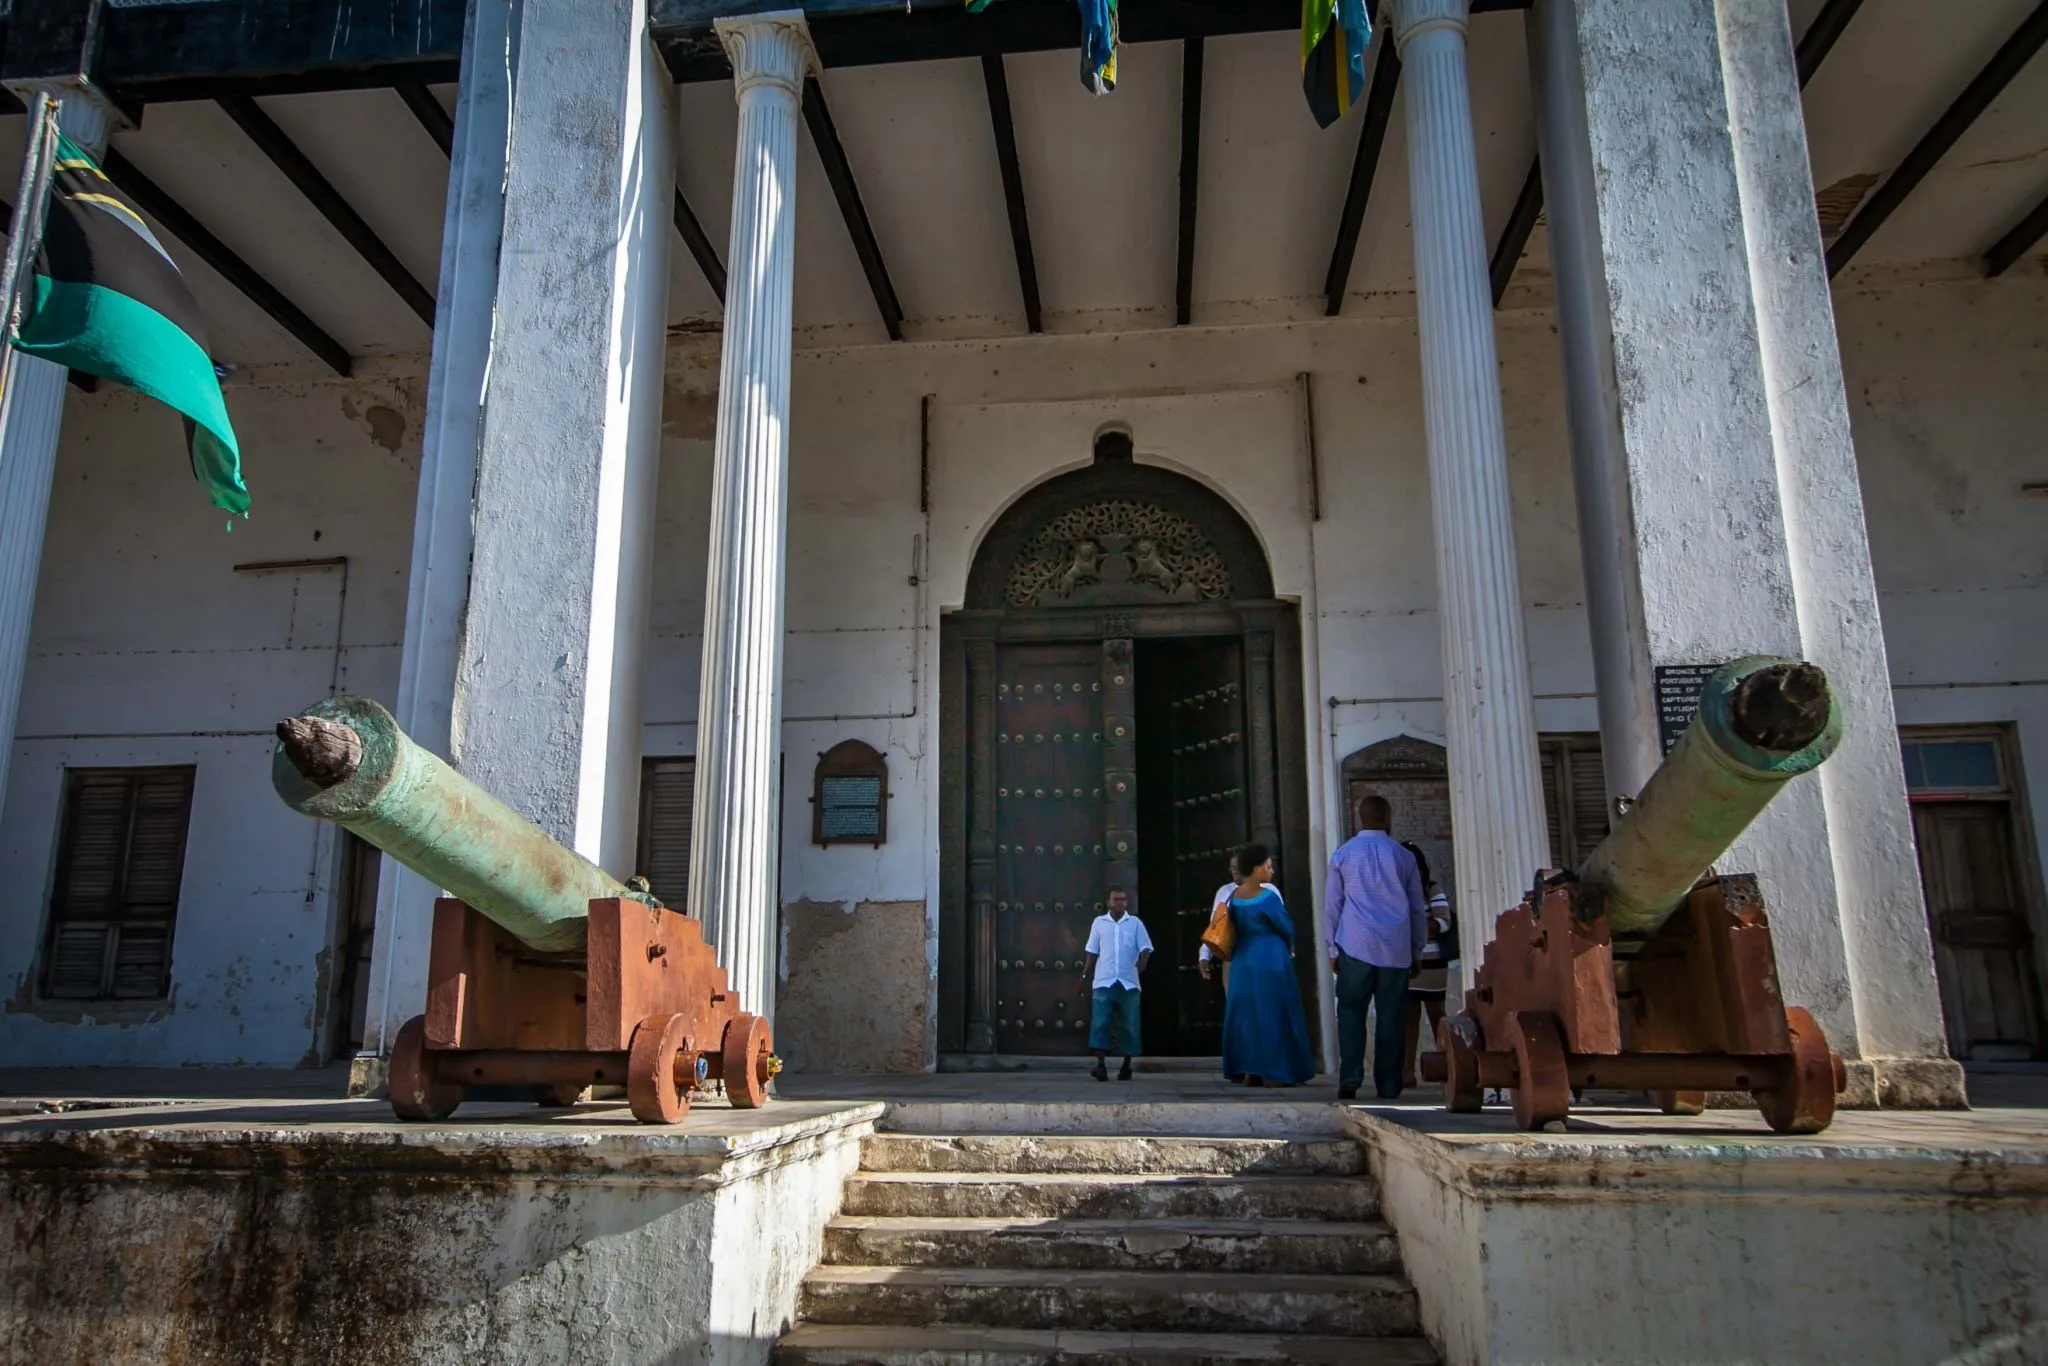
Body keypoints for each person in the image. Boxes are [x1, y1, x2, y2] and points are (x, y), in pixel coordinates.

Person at [1326, 795, 1428, 1101]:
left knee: (1350, 1012)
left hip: (1355, 943)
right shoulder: (1403, 857)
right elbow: (1416, 907)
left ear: (1361, 818)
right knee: (1391, 1016)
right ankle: (1388, 1083)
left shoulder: (1343, 855)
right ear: (1387, 817)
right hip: (1395, 948)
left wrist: (1332, 948)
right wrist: (1417, 950)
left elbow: (1333, 905)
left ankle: (1351, 1077)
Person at [1218, 844, 1315, 1087]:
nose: (1271, 872)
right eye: (1268, 867)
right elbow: (1286, 927)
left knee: (1248, 1017)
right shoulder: (1268, 897)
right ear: (1256, 868)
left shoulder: (1235, 897)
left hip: (1243, 961)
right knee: (1275, 1013)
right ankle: (1279, 1071)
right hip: (1270, 960)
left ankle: (1251, 1070)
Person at [1398, 841, 1457, 1088]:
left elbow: (1443, 922)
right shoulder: (1396, 892)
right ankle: (1406, 1072)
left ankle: (1450, 1069)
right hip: (1408, 965)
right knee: (1409, 1019)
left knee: (1437, 1017)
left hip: (1433, 966)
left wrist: (1414, 928)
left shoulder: (1432, 890)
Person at [1083, 887, 1152, 1081]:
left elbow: (1146, 947)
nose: (1120, 903)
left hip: (1128, 983)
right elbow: (1092, 951)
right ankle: (1101, 1066)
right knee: (1100, 1024)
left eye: (1123, 900)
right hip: (1103, 981)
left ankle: (1126, 1066)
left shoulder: (1135, 923)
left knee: (1130, 1025)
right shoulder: (1099, 923)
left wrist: (1143, 961)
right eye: (1116, 899)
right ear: (1108, 902)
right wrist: (1084, 976)